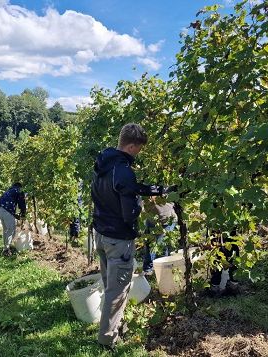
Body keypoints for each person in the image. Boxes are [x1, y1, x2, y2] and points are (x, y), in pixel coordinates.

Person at [91, 123, 176, 350]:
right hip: (119, 239)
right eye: (138, 149)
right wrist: (138, 207)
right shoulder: (124, 170)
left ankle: (115, 326)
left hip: (101, 234)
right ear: (130, 146)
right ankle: (108, 340)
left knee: (111, 286)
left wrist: (158, 189)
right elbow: (129, 213)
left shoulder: (104, 165)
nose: (139, 153)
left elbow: (127, 188)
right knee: (117, 292)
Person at [142, 197, 178, 275]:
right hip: (152, 218)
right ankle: (148, 270)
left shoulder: (163, 188)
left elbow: (172, 198)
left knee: (161, 245)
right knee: (149, 243)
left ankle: (164, 271)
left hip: (165, 219)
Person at [0, 183, 27, 256]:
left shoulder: (10, 190)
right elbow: (22, 203)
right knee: (11, 230)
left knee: (6, 230)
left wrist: (15, 215)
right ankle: (6, 250)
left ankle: (6, 247)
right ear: (20, 187)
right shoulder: (19, 190)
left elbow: (8, 206)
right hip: (5, 211)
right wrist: (23, 213)